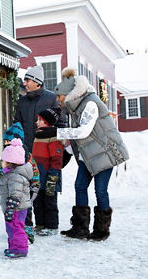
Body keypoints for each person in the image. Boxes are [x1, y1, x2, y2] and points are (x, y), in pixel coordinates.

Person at [50, 68, 129, 240]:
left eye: (59, 96)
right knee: (80, 186)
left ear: (68, 94)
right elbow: (79, 141)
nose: (57, 100)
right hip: (89, 156)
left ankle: (101, 230)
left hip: (106, 154)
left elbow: (83, 131)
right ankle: (80, 228)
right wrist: (65, 153)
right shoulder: (75, 108)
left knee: (100, 191)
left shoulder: (90, 103)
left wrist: (57, 133)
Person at [14, 65, 61, 237]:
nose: (24, 83)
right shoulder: (22, 101)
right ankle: (38, 224)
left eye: (27, 80)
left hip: (47, 151)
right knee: (32, 188)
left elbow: (60, 124)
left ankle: (51, 224)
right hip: (28, 153)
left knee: (48, 188)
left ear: (37, 82)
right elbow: (17, 125)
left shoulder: (51, 99)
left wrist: (53, 142)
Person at [2, 122, 40, 244]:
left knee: (25, 210)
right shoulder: (6, 154)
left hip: (24, 188)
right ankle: (15, 232)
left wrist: (35, 184)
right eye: (5, 141)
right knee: (12, 212)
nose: (6, 143)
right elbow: (1, 170)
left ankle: (27, 232)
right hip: (9, 188)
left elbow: (33, 169)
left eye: (9, 141)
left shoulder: (26, 155)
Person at [0, 138, 34, 258]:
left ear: (10, 162)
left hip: (16, 208)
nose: (1, 162)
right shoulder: (10, 174)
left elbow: (16, 193)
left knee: (16, 228)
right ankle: (14, 247)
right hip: (12, 208)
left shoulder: (15, 176)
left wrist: (11, 208)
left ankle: (20, 249)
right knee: (11, 228)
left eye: (3, 160)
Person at [33, 107, 64, 235]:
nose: (37, 122)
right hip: (38, 175)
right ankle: (40, 224)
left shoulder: (53, 137)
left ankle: (52, 226)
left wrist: (53, 176)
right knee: (37, 201)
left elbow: (57, 159)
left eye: (40, 120)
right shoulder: (38, 135)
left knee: (50, 201)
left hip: (50, 175)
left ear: (47, 122)